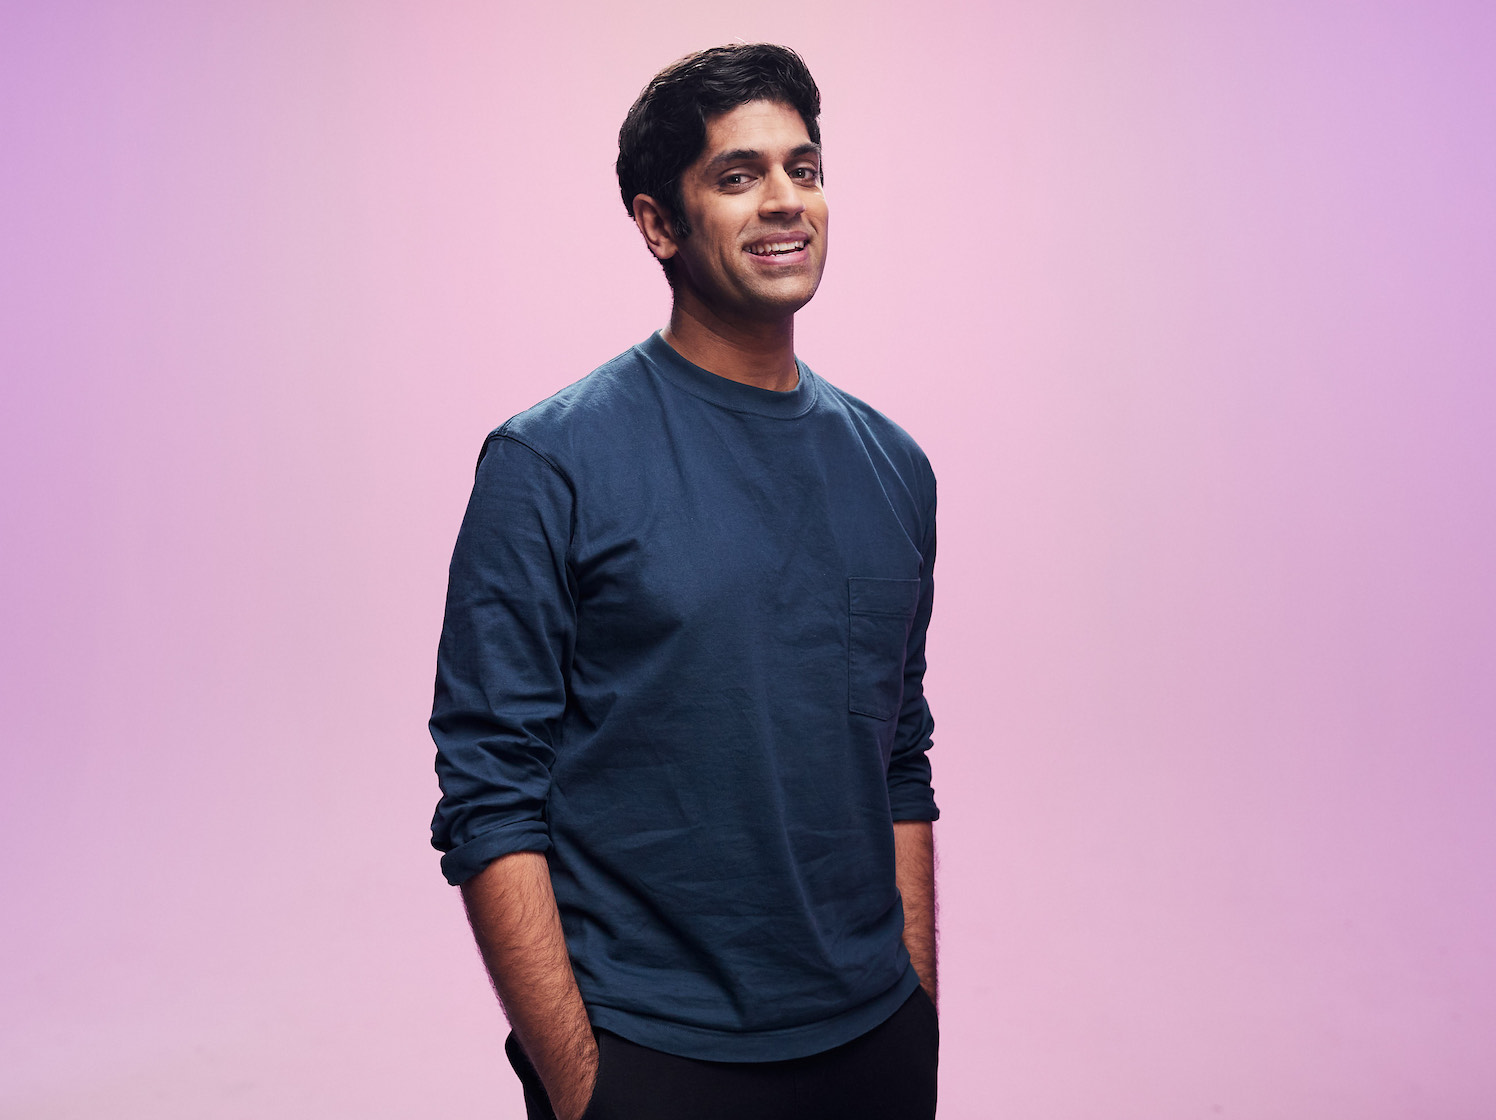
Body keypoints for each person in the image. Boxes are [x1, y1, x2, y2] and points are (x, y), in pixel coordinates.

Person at [430, 43, 940, 1120]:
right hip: (653, 1056)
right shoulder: (548, 464)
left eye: (802, 168)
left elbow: (896, 758)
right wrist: (583, 1088)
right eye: (737, 175)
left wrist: (916, 1017)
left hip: (871, 1047)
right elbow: (488, 796)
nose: (784, 202)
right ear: (658, 224)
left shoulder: (894, 466)